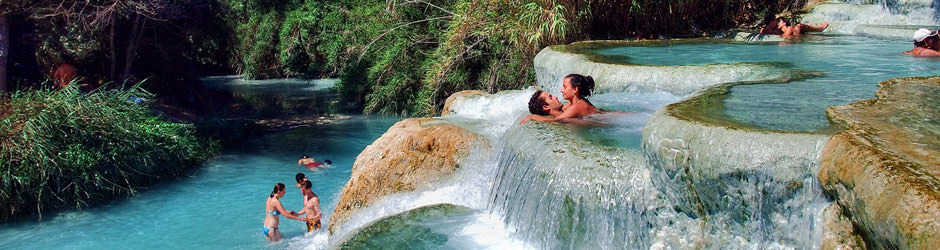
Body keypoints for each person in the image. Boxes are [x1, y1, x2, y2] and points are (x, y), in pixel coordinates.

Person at [521, 74, 598, 123]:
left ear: (575, 90)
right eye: (551, 98)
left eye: (565, 87)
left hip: (607, 119)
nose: (561, 90)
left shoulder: (577, 106)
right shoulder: (571, 104)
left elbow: (556, 120)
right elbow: (560, 114)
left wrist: (533, 117)